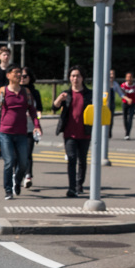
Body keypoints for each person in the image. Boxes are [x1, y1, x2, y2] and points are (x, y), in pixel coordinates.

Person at [0, 65, 41, 199]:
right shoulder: (2, 92)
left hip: (22, 133)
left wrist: (37, 125)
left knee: (23, 162)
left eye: (21, 73)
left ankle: (16, 182)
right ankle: (8, 190)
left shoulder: (26, 92)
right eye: (16, 73)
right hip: (5, 133)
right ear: (8, 75)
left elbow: (33, 111)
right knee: (9, 161)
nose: (19, 75)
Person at [53, 67, 93, 198]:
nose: (75, 79)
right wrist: (59, 99)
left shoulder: (89, 94)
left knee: (82, 160)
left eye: (78, 76)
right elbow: (54, 107)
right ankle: (71, 187)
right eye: (73, 76)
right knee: (71, 159)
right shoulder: (66, 94)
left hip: (85, 132)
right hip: (69, 133)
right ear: (70, 78)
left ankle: (79, 184)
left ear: (82, 78)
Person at [20, 67, 43, 189]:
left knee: (28, 152)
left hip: (30, 127)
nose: (22, 79)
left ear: (30, 78)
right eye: (20, 76)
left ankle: (28, 176)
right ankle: (17, 175)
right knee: (16, 154)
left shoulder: (35, 93)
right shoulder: (15, 91)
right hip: (16, 128)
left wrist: (37, 118)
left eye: (25, 76)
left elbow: (39, 108)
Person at [119, 72, 135, 140]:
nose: (129, 78)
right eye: (127, 77)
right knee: (125, 118)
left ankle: (127, 133)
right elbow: (122, 93)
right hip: (125, 103)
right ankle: (126, 130)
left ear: (132, 78)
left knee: (130, 118)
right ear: (126, 78)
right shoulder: (123, 85)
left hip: (133, 103)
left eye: (130, 77)